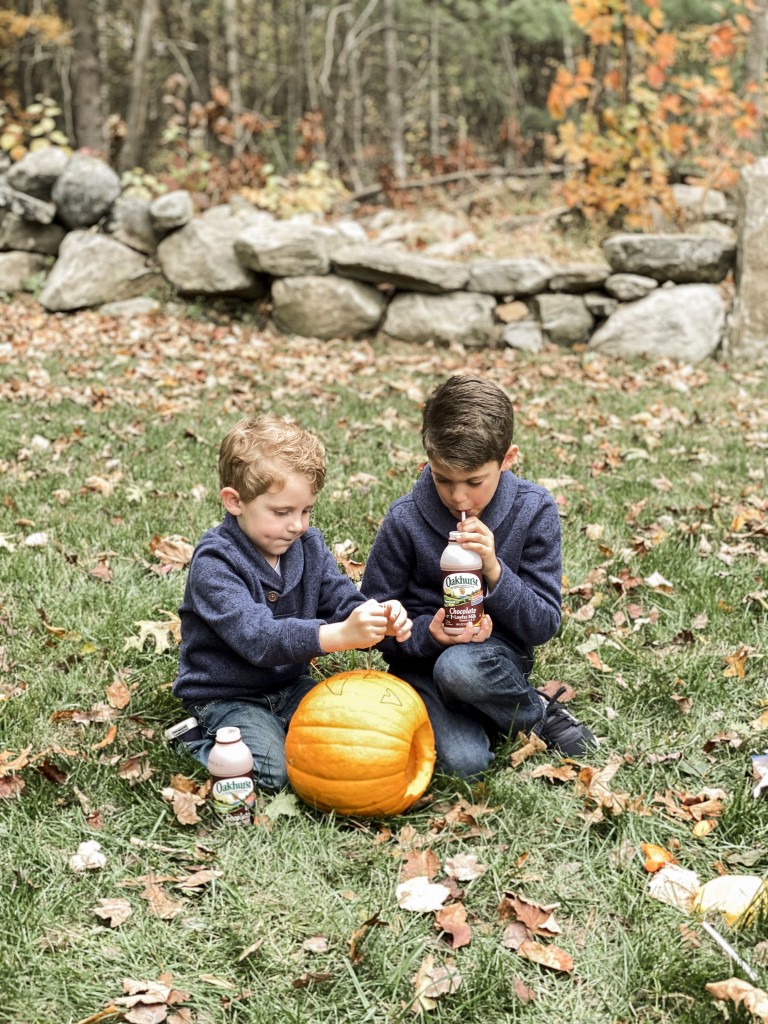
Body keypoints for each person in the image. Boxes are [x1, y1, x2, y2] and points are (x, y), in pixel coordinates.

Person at [361, 375, 597, 778]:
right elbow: (372, 619)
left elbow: (543, 623)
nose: (459, 498)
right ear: (427, 462)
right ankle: (486, 712)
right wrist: (427, 634)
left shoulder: (533, 509)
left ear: (507, 460)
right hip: (421, 665)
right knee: (465, 765)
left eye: (474, 482)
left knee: (459, 669)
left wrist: (494, 570)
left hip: (492, 659)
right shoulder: (405, 519)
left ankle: (536, 713)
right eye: (443, 479)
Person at [168, 415, 412, 791]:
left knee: (348, 733)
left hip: (291, 685)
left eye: (305, 510)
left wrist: (376, 615)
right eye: (281, 512)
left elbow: (340, 599)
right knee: (273, 772)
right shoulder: (215, 564)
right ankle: (196, 741)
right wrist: (338, 635)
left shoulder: (307, 547)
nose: (297, 524)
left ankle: (273, 730)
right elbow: (259, 638)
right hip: (227, 695)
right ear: (235, 501)